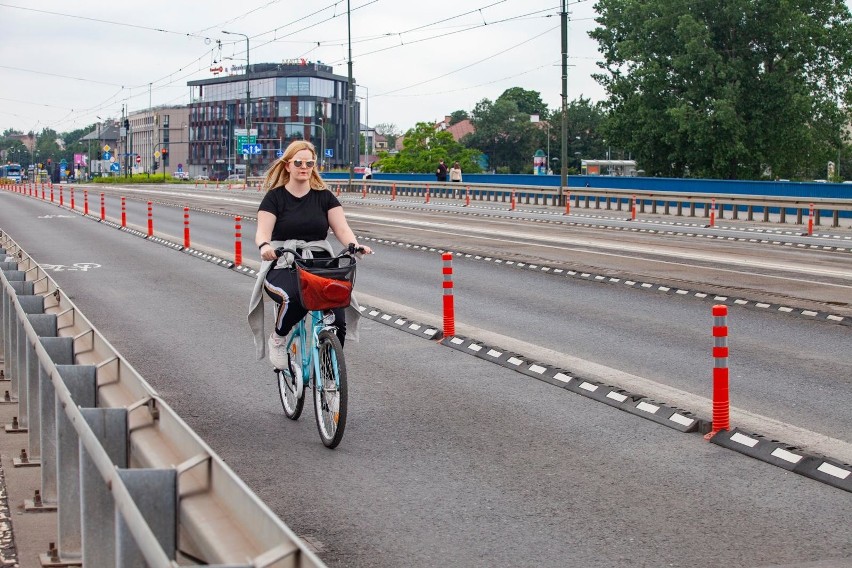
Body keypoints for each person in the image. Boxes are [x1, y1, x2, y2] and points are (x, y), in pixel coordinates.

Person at [247, 140, 373, 370]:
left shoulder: (325, 197)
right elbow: (262, 233)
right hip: (284, 262)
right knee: (295, 297)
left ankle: (329, 369)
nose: (304, 166)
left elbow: (342, 229)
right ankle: (278, 338)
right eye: (298, 162)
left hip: (319, 263)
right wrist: (265, 247)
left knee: (338, 311)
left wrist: (355, 246)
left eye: (309, 162)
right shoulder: (274, 198)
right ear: (287, 165)